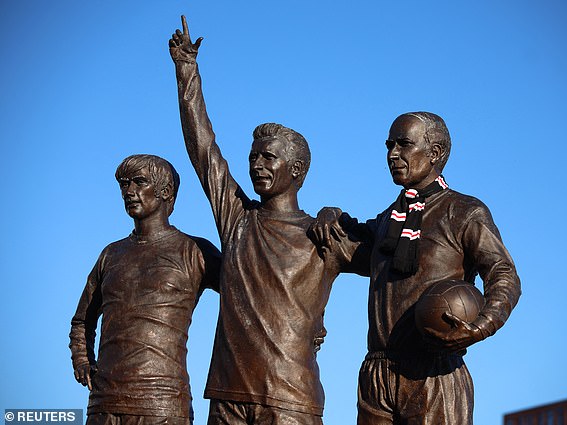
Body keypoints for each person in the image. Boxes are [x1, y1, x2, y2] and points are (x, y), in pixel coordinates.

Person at [168, 16, 368, 425]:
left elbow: (389, 260)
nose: (256, 164)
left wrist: (342, 216)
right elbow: (203, 149)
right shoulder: (238, 218)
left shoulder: (324, 235)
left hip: (291, 399)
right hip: (228, 395)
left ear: (296, 169)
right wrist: (187, 70)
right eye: (253, 156)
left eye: (268, 157)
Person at [310, 112, 521, 425]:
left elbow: (504, 276)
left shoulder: (464, 211)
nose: (392, 154)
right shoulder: (387, 221)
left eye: (404, 145)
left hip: (434, 372)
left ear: (434, 153)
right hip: (377, 374)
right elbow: (346, 239)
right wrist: (330, 214)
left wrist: (481, 326)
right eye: (389, 145)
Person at [69, 154, 221, 425]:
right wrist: (82, 360)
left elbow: (250, 293)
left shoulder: (195, 251)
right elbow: (82, 320)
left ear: (165, 191)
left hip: (162, 404)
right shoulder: (111, 254)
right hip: (104, 405)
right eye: (124, 185)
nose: (129, 192)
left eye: (139, 183)